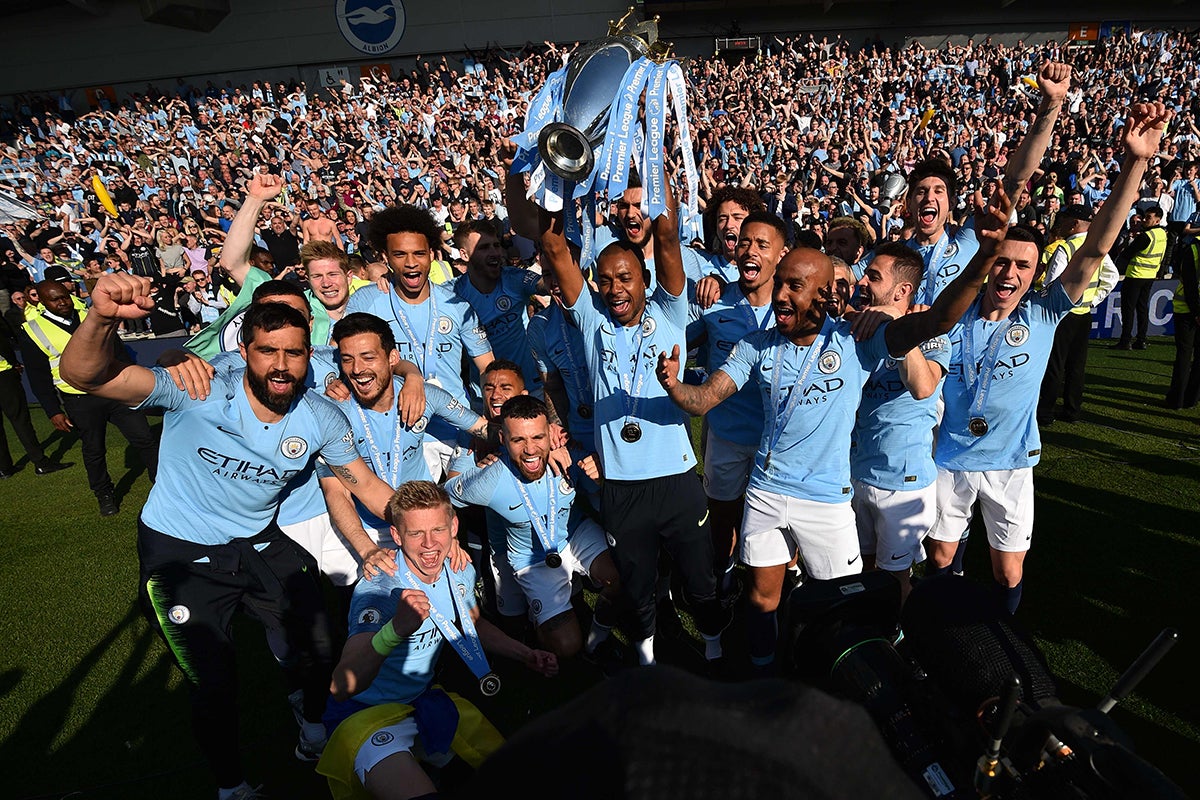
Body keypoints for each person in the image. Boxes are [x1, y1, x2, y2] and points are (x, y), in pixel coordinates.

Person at [57, 275, 425, 799]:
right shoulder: (199, 388)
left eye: (294, 353)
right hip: (179, 554)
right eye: (267, 351)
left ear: (308, 356)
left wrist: (427, 531)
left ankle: (314, 733)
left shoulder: (320, 415)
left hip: (258, 542)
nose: (281, 365)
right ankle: (232, 787)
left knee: (320, 642)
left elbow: (363, 484)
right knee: (215, 682)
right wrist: (99, 317)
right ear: (244, 350)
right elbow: (84, 375)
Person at [924, 102, 1170, 614]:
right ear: (988, 264)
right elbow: (1010, 186)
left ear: (1035, 272)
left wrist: (1135, 164)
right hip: (948, 457)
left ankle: (1000, 642)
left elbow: (1096, 249)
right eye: (1002, 262)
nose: (1008, 273)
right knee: (942, 559)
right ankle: (942, 642)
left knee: (1007, 570)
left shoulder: (1044, 310)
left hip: (1012, 464)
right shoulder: (955, 305)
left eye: (1022, 265)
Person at [538, 179, 730, 668]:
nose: (614, 288)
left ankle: (712, 638)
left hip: (675, 478)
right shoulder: (591, 317)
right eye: (604, 279)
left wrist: (650, 143)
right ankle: (645, 647)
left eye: (624, 278)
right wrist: (558, 173)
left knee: (699, 577)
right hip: (621, 483)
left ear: (644, 279)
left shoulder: (670, 310)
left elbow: (667, 238)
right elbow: (554, 247)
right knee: (637, 578)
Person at [318, 481, 558, 800]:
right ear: (397, 535)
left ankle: (435, 763)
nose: (430, 545)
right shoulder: (378, 589)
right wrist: (394, 631)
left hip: (422, 700)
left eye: (438, 530)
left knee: (516, 777)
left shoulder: (457, 568)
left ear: (454, 526)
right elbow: (341, 686)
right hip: (366, 716)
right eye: (416, 533)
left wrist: (525, 654)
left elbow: (471, 622)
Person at [319, 311, 490, 584]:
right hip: (369, 529)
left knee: (454, 596)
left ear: (392, 359)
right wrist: (368, 550)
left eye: (368, 357)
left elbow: (482, 428)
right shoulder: (331, 415)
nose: (357, 369)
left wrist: (541, 437)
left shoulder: (423, 395)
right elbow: (336, 493)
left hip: (424, 520)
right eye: (348, 359)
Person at [448, 395, 619, 658]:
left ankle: (599, 637)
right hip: (532, 558)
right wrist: (450, 540)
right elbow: (438, 499)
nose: (530, 450)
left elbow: (610, 486)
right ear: (504, 440)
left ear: (550, 434)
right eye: (519, 440)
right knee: (565, 646)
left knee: (624, 577)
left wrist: (602, 476)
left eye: (538, 438)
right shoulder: (490, 478)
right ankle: (539, 618)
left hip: (575, 535)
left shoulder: (568, 455)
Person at [345, 204, 493, 481]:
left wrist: (488, 417)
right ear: (385, 258)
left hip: (459, 426)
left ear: (432, 255)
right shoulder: (366, 301)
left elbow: (487, 368)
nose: (411, 262)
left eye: (419, 253)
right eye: (400, 254)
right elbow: (343, 357)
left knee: (467, 513)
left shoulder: (456, 304)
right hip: (403, 429)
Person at [906, 62, 1071, 303]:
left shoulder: (970, 239)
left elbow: (1015, 180)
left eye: (939, 191)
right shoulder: (893, 256)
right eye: (921, 191)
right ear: (909, 202)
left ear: (952, 201)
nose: (929, 197)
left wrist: (1052, 103)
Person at [685, 212, 786, 598]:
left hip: (775, 441)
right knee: (723, 512)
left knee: (774, 519)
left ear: (780, 253)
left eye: (763, 244)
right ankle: (724, 570)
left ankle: (777, 582)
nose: (751, 250)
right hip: (725, 435)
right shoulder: (714, 300)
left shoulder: (791, 301)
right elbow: (680, 344)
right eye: (745, 242)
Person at [848, 243, 949, 603]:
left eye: (874, 277)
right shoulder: (860, 328)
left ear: (902, 291)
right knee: (862, 569)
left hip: (902, 483)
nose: (863, 281)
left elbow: (923, 386)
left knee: (894, 579)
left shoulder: (932, 334)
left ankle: (898, 642)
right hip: (856, 471)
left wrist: (897, 326)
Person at [20, 277, 158, 515]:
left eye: (65, 296)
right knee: (94, 449)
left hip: (114, 389)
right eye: (55, 300)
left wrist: (133, 388)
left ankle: (162, 483)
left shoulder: (88, 313)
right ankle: (104, 493)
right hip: (79, 398)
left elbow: (119, 351)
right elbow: (38, 375)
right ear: (42, 302)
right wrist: (53, 410)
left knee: (144, 438)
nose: (63, 302)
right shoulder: (33, 330)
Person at [1035, 205, 1119, 424]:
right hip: (1084, 315)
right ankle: (1072, 410)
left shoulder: (1066, 247)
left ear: (1073, 224)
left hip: (1062, 315)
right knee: (1076, 365)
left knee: (1055, 364)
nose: (1060, 224)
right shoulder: (1096, 246)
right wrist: (1093, 299)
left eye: (1063, 220)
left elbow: (1050, 282)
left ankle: (1045, 412)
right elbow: (1112, 276)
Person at [451, 219, 545, 398]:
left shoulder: (514, 278)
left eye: (496, 245)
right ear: (464, 254)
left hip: (529, 387)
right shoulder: (453, 293)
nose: (495, 252)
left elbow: (544, 283)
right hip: (486, 395)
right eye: (484, 247)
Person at [0, 315, 71, 478]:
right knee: (20, 420)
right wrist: (13, 363)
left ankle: (4, 467)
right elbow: (3, 338)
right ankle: (40, 462)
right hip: (3, 373)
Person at [1113, 204, 1167, 350]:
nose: (1144, 220)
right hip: (1150, 276)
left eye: (1149, 218)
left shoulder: (1145, 236)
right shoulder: (1162, 234)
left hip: (1136, 275)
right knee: (1142, 308)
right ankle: (1141, 339)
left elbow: (1127, 253)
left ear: (1157, 220)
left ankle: (1125, 340)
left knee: (1128, 309)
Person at [1166, 236, 1200, 409]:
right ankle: (1191, 399)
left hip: (1186, 310)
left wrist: (1196, 312)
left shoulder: (1193, 249)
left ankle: (1176, 399)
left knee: (1184, 356)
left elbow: (1190, 283)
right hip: (1191, 309)